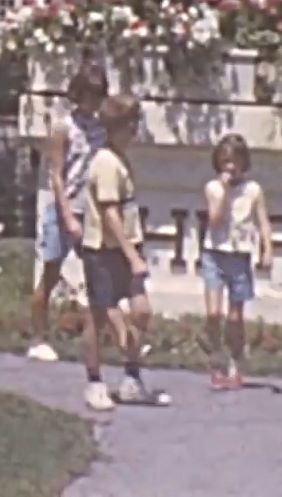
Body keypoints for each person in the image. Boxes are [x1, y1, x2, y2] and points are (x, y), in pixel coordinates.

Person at [80, 94, 168, 410]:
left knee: (141, 310)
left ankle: (132, 377)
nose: (135, 131)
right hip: (103, 250)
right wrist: (132, 255)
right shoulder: (105, 162)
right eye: (131, 124)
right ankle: (94, 381)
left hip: (127, 245)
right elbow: (110, 214)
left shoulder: (119, 160)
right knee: (98, 315)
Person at [28, 62, 108, 362]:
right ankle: (38, 336)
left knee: (98, 277)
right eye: (89, 95)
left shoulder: (101, 129)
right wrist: (68, 215)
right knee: (50, 271)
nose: (93, 102)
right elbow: (57, 175)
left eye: (98, 96)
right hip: (65, 207)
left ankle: (98, 337)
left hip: (91, 209)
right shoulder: (64, 127)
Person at [199, 133, 273, 389]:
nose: (230, 167)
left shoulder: (253, 190)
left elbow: (263, 222)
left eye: (234, 161)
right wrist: (224, 193)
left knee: (234, 317)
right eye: (224, 161)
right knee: (213, 313)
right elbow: (215, 220)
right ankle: (216, 358)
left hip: (239, 255)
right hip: (215, 253)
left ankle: (235, 363)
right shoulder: (213, 188)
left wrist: (267, 250)